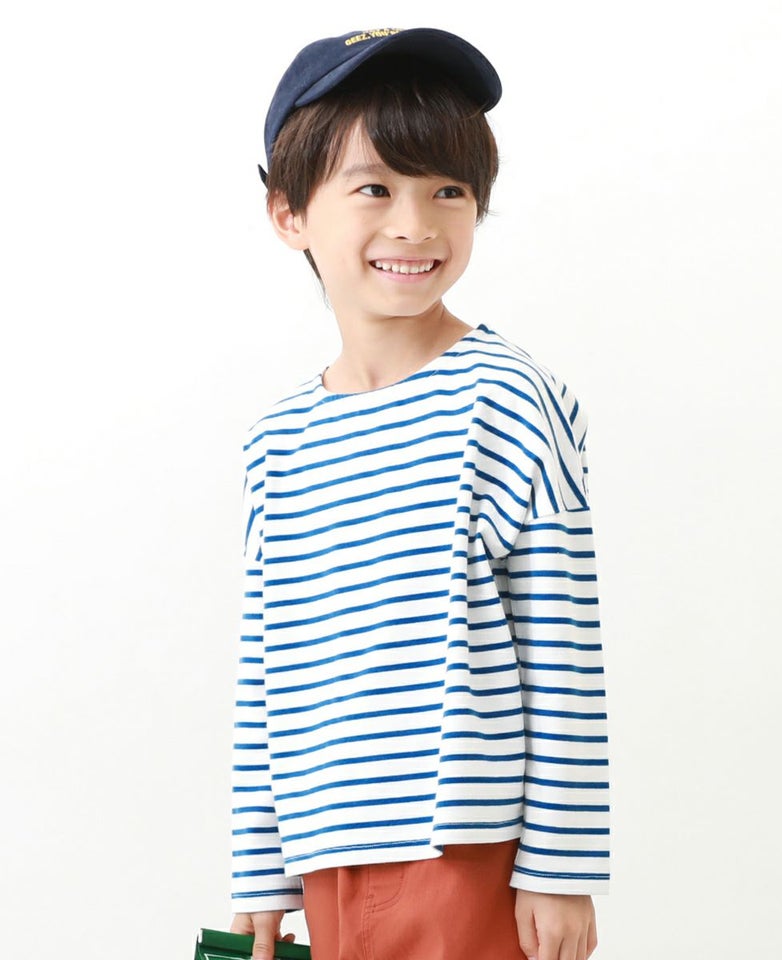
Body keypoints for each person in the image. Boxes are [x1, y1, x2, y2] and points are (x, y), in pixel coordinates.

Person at [229, 27, 610, 960]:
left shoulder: (506, 399)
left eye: (449, 191)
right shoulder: (278, 441)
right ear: (288, 212)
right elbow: (265, 666)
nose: (416, 224)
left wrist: (559, 867)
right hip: (324, 851)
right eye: (375, 189)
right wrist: (258, 874)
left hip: (465, 848)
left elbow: (562, 647)